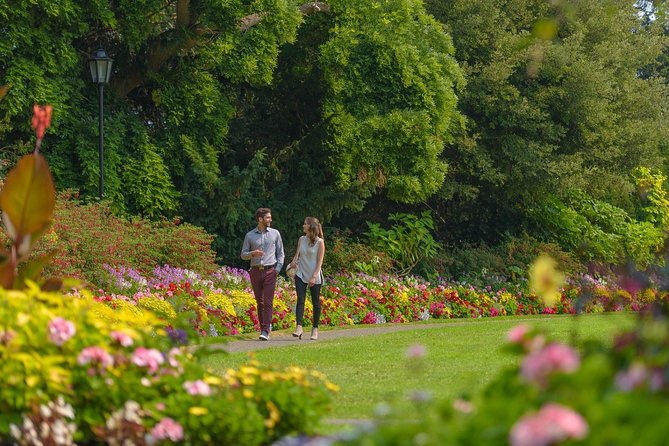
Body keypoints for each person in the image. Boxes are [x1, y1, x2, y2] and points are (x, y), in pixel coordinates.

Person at [241, 208, 285, 341]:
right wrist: (252, 254)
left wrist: (277, 269)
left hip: (270, 271)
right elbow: (243, 255)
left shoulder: (275, 233)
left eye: (270, 217)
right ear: (260, 219)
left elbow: (281, 254)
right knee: (259, 302)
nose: (270, 220)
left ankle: (266, 331)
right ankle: (263, 328)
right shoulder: (249, 235)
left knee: (268, 301)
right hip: (255, 271)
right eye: (267, 218)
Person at [288, 217, 325, 341]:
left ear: (310, 226)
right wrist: (292, 265)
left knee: (315, 303)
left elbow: (319, 262)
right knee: (300, 300)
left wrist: (314, 276)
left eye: (305, 224)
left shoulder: (320, 242)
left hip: (314, 275)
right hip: (301, 273)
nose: (303, 226)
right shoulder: (301, 239)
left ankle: (315, 329)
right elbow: (297, 255)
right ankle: (299, 327)